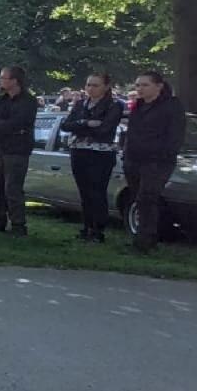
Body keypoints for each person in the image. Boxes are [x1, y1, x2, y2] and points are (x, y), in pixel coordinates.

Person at [121, 70, 186, 254]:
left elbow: (175, 136)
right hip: (134, 159)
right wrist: (126, 153)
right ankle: (140, 237)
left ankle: (146, 241)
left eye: (145, 85)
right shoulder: (138, 106)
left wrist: (162, 154)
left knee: (147, 197)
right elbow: (132, 132)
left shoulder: (171, 106)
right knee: (137, 198)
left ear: (159, 86)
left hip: (157, 161)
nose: (140, 89)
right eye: (138, 85)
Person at [60, 72, 123, 242]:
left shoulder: (114, 105)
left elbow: (104, 130)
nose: (91, 89)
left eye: (95, 85)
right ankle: (87, 226)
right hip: (79, 150)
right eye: (88, 85)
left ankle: (98, 229)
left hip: (101, 153)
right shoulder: (81, 103)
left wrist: (80, 126)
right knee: (84, 191)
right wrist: (85, 123)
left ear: (106, 87)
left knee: (97, 191)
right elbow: (66, 125)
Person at [0, 66, 38, 236]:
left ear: (14, 80)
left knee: (13, 188)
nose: (0, 81)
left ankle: (18, 224)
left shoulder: (29, 101)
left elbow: (19, 123)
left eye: (4, 78)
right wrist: (0, 125)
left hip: (17, 150)